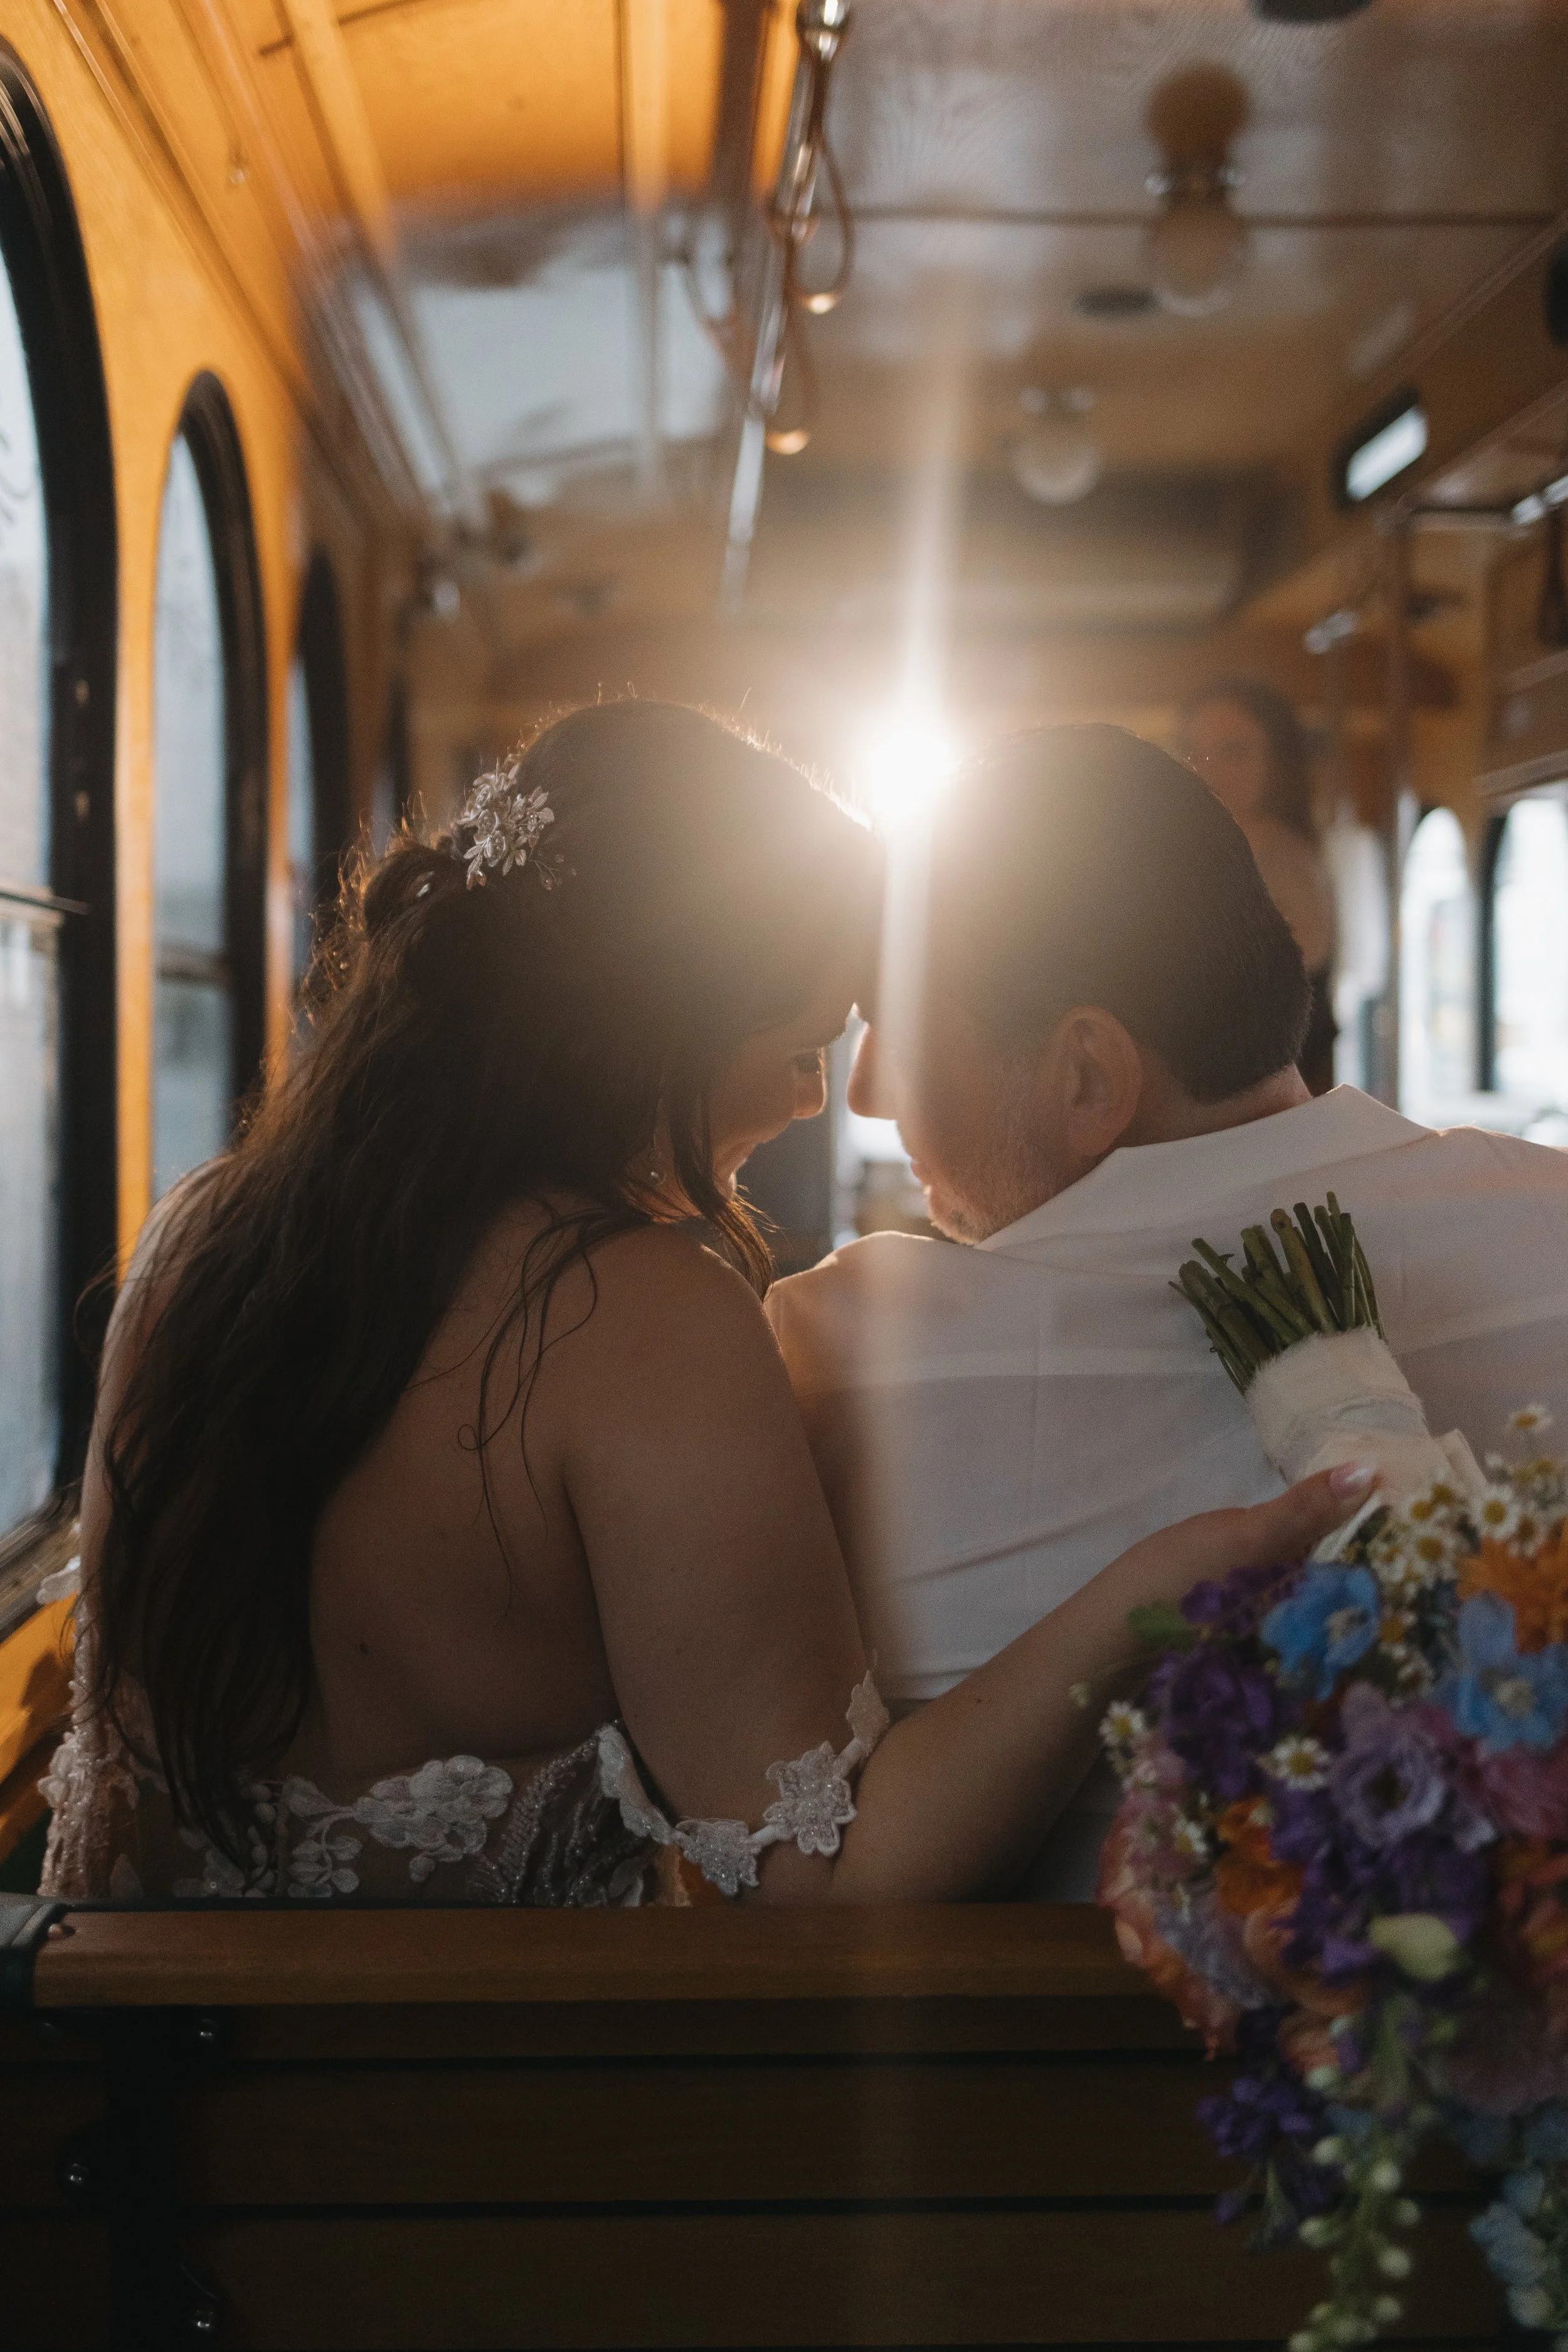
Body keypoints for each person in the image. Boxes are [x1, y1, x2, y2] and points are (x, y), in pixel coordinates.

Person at [41, 701, 1358, 1909]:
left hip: (139, 2103)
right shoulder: (636, 1313)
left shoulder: (202, 1238)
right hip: (466, 2123)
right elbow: (823, 1883)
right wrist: (1160, 1582)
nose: (814, 1100)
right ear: (658, 1026)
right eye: (800, 1047)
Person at [766, 723, 1568, 1893]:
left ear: (1087, 1075)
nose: (874, 1090)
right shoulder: (1550, 1225)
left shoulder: (848, 1354)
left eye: (896, 1025)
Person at [1176, 678, 1338, 1093]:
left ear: (1278, 762)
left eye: (1235, 752)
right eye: (1196, 750)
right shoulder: (1223, 852)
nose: (1208, 768)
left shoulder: (1277, 859)